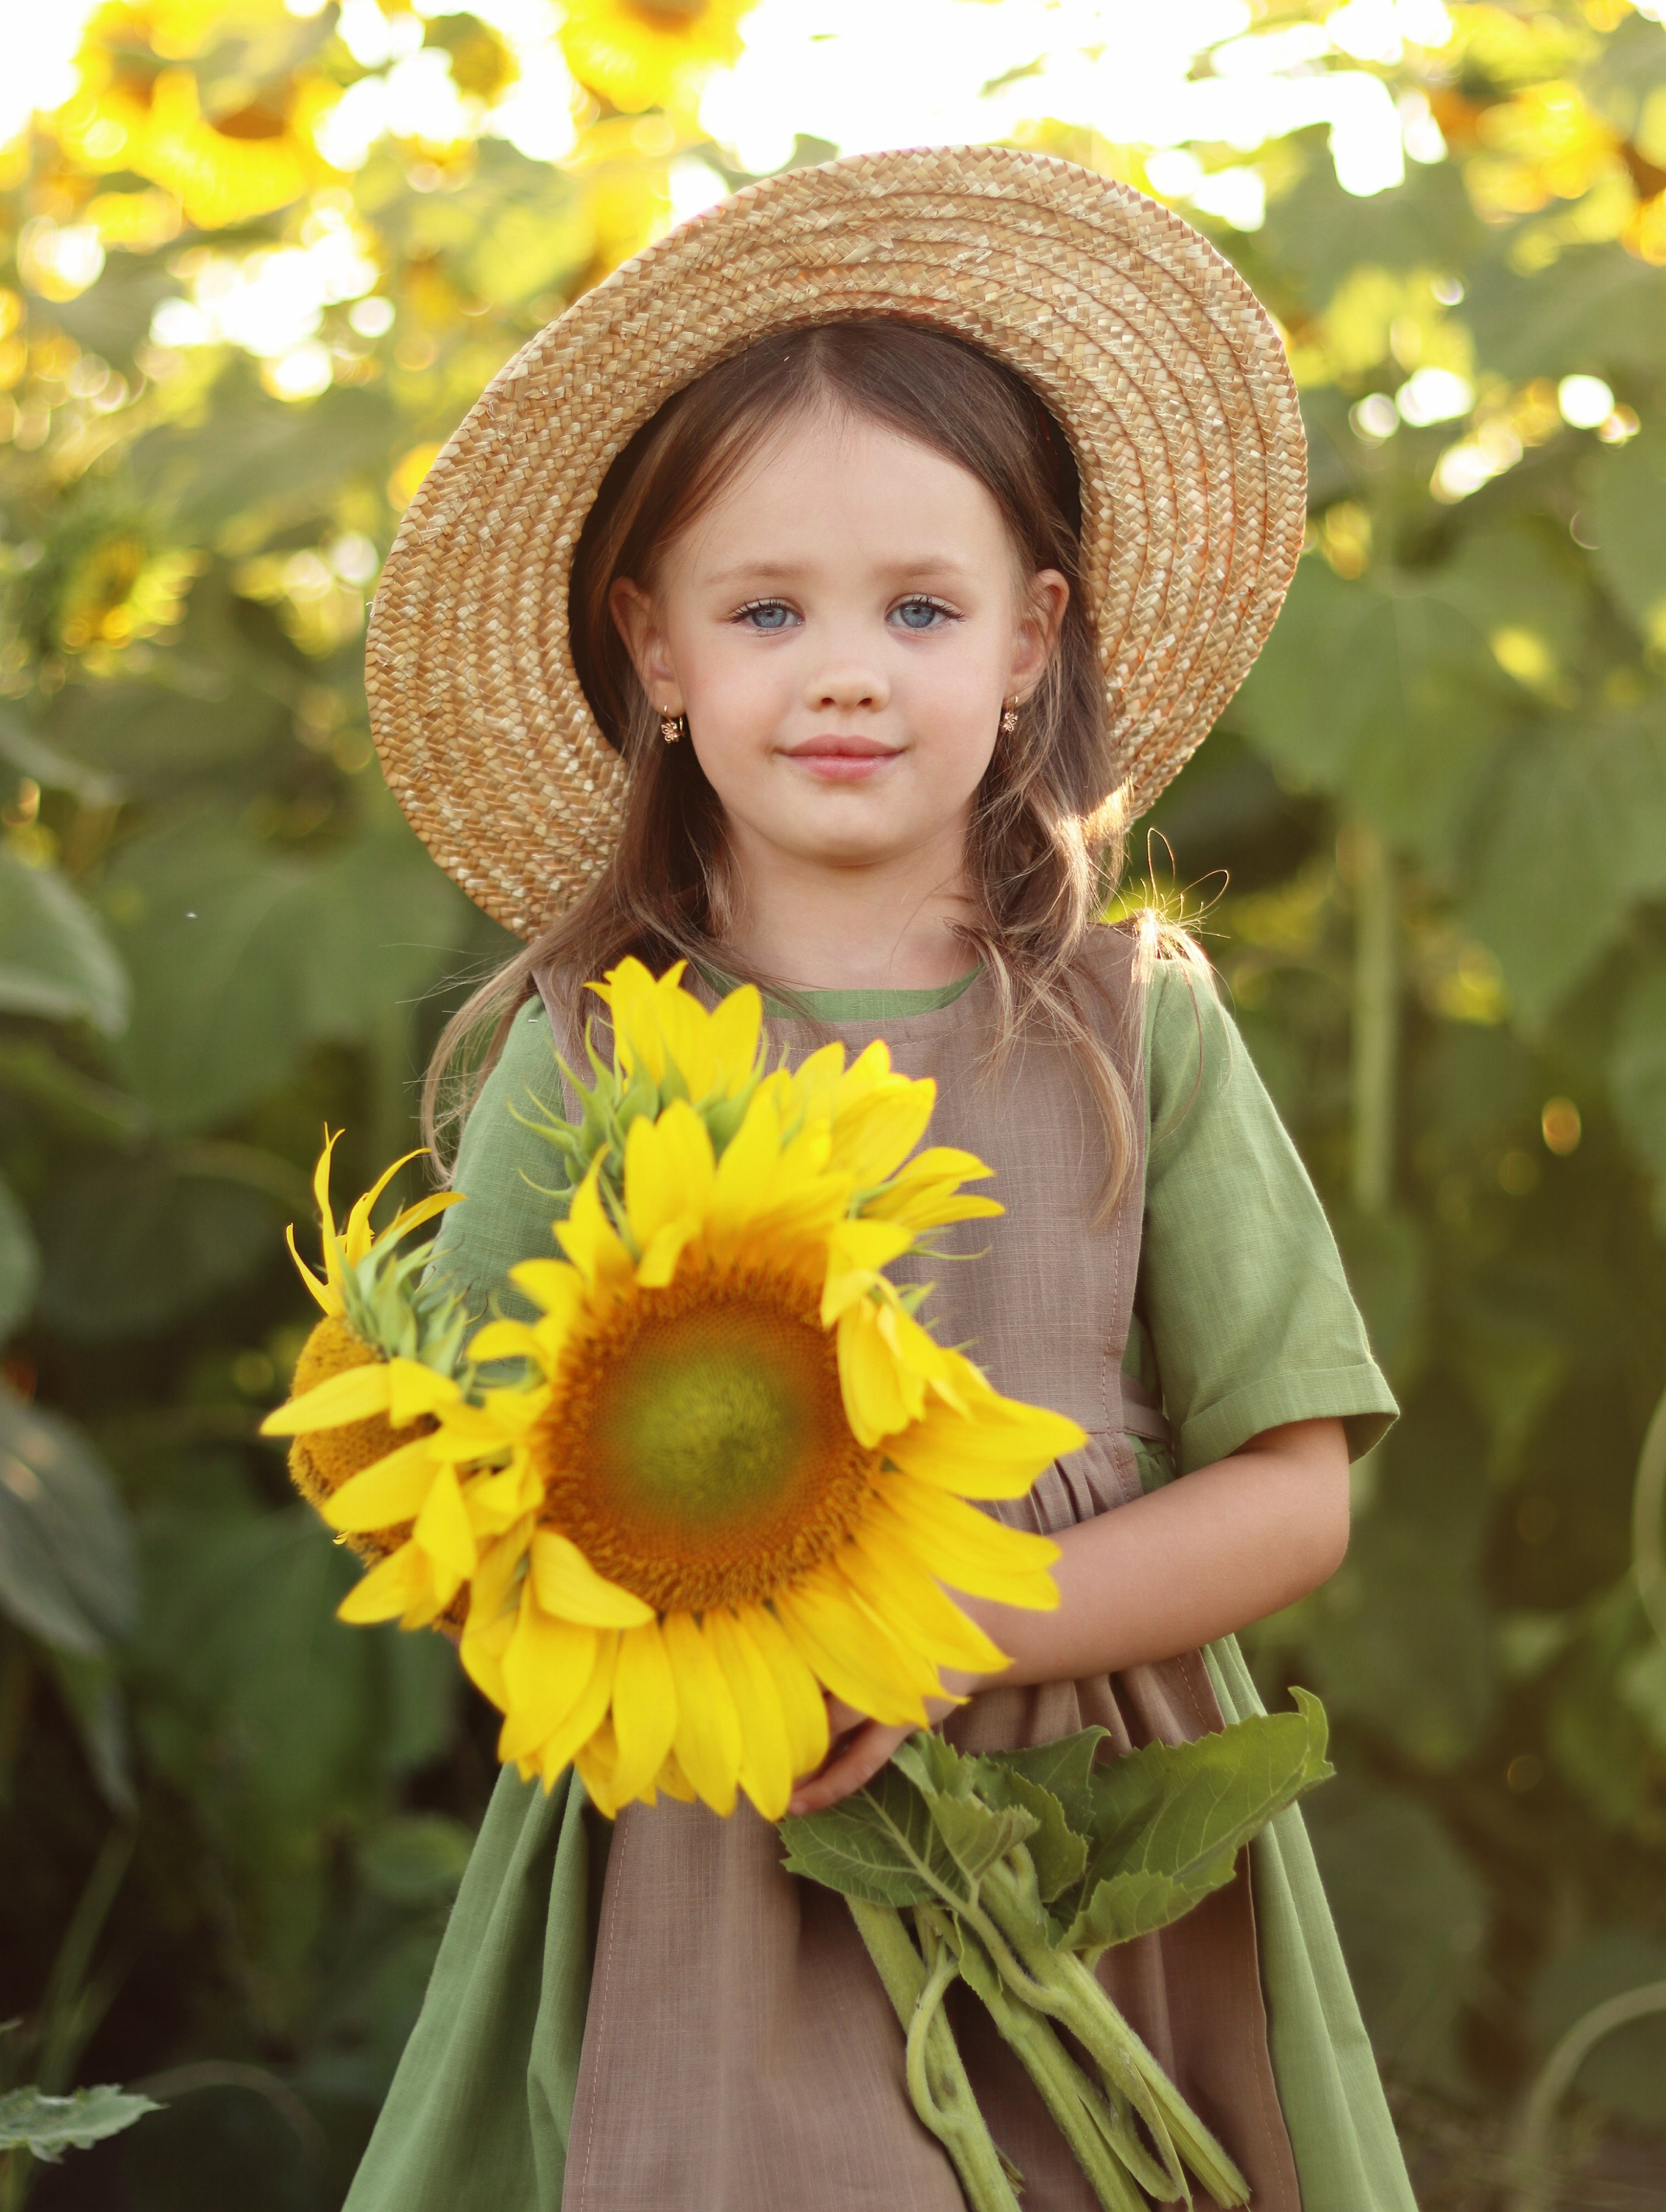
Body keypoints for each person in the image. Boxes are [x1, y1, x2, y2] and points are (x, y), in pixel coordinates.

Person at [347, 149, 1414, 2212]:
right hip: (722, 1832)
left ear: (1034, 641)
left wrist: (942, 1636)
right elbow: (464, 1495)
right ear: (652, 650)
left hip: (1093, 1827)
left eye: (920, 609)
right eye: (769, 611)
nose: (847, 671)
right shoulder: (581, 1054)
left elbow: (1299, 1485)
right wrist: (704, 1641)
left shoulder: (1131, 1031)